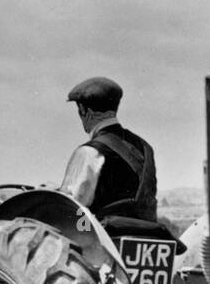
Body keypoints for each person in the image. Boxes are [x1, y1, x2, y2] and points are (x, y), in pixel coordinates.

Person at [59, 77, 159, 224]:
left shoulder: (89, 151)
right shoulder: (144, 147)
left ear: (85, 111)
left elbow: (73, 207)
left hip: (102, 240)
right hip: (145, 234)